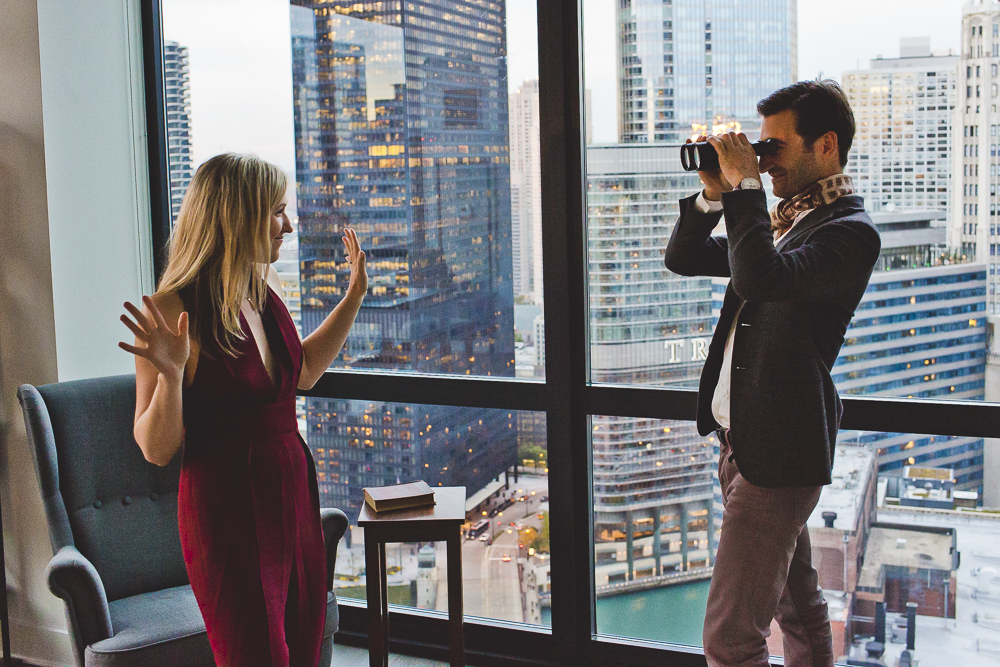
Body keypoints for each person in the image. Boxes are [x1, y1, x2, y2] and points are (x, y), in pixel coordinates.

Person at [118, 153, 367, 666]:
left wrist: (353, 297)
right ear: (236, 214)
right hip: (227, 507)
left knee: (302, 647)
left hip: (292, 491)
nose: (288, 226)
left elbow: (301, 375)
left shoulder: (264, 287)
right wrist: (170, 374)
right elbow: (156, 449)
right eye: (276, 212)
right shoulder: (171, 308)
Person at [664, 81, 881, 666]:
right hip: (744, 446)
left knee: (730, 638)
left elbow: (761, 279)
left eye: (776, 146)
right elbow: (683, 258)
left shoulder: (849, 233)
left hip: (779, 456)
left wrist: (745, 189)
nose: (764, 158)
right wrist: (714, 195)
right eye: (760, 147)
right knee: (798, 607)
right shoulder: (780, 223)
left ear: (827, 145)